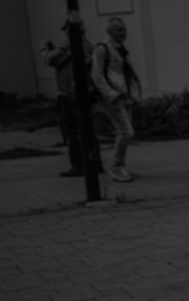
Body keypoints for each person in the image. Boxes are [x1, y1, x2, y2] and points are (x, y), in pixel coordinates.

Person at [40, 21, 103, 177]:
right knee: (88, 130)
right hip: (84, 92)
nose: (65, 33)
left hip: (69, 93)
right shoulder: (87, 44)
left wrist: (44, 48)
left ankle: (78, 166)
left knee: (73, 132)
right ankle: (95, 163)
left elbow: (50, 60)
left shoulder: (69, 44)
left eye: (66, 29)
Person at [92, 17, 140, 183]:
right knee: (126, 132)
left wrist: (133, 95)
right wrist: (110, 94)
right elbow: (97, 75)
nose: (123, 33)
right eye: (119, 30)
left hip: (125, 96)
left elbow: (129, 74)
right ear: (109, 31)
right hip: (113, 98)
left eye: (124, 29)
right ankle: (116, 166)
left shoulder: (122, 50)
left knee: (125, 133)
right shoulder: (102, 49)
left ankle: (121, 166)